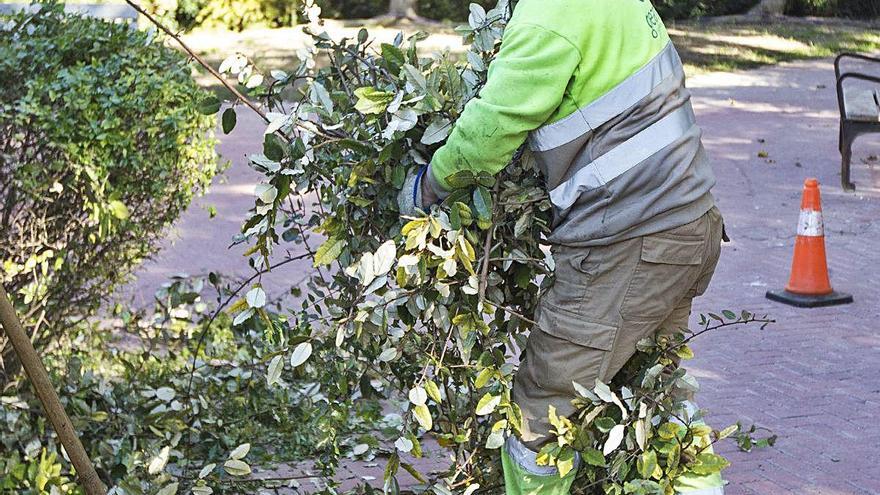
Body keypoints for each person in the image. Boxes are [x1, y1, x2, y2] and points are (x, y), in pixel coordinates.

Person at [400, 1, 724, 493]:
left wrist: (426, 188)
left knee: (541, 412)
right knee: (653, 399)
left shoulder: (549, 17)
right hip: (688, 224)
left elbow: (490, 130)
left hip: (630, 241)